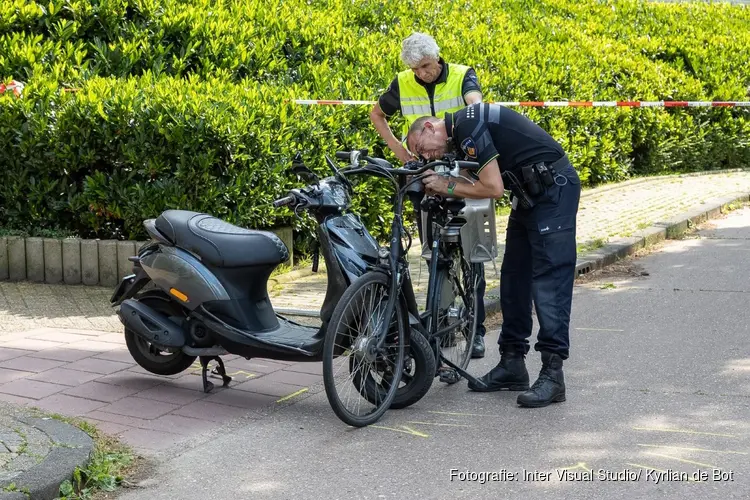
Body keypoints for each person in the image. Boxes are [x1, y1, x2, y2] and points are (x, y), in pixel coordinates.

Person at [406, 103, 581, 408]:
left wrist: (447, 185)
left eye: (422, 148)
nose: (425, 156)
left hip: (553, 190)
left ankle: (554, 375)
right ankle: (512, 364)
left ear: (430, 127)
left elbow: (492, 187)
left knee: (549, 284)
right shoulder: (458, 139)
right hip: (528, 195)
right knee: (513, 279)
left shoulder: (466, 125)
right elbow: (483, 183)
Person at [370, 32, 487, 358]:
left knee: (473, 251)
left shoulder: (463, 74)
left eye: (425, 66)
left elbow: (475, 103)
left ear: (437, 57)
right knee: (431, 252)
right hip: (425, 171)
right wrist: (400, 152)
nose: (421, 73)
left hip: (464, 167)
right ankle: (440, 317)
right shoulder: (403, 82)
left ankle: (476, 329)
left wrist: (472, 118)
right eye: (415, 69)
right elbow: (376, 115)